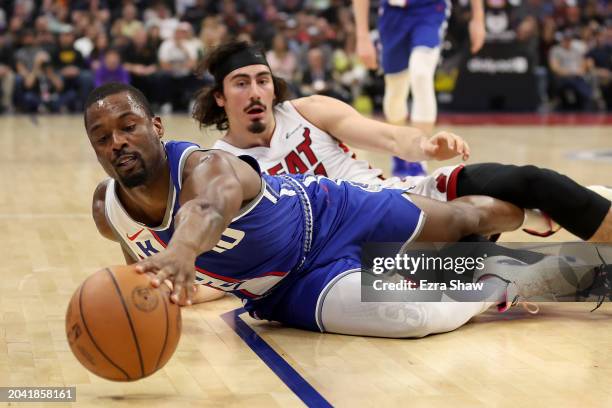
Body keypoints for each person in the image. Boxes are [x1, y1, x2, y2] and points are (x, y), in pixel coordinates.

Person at [85, 82, 541, 338]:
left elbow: (205, 209)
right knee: (411, 316)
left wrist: (184, 250)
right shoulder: (109, 212)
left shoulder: (206, 167)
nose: (117, 142)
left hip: (329, 212)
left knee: (463, 220)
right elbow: (146, 271)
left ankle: (538, 215)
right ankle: (503, 278)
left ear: (156, 126)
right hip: (290, 288)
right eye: (102, 138)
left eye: (128, 127)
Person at [194, 42, 612, 244]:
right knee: (490, 217)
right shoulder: (223, 163)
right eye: (241, 83)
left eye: (262, 81)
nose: (254, 92)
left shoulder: (307, 110)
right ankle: (539, 221)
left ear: (273, 87)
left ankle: (561, 214)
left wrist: (427, 146)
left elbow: (389, 136)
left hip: (404, 196)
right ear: (220, 97)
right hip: (348, 245)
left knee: (530, 180)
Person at [352, 0, 485, 176]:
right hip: (393, 13)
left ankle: (419, 156)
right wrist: (362, 36)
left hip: (430, 9)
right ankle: (399, 150)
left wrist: (478, 19)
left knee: (421, 74)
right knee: (395, 90)